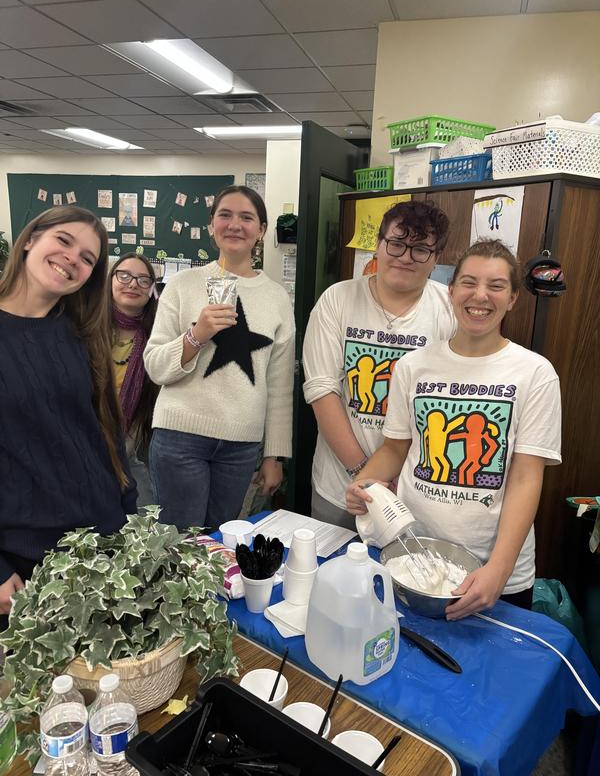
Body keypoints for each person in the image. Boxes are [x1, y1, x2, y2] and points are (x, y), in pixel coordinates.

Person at [346, 240, 561, 619]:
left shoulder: (535, 373)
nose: (480, 296)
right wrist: (363, 483)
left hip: (495, 575)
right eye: (469, 282)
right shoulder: (414, 366)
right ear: (451, 292)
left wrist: (499, 569)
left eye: (496, 286)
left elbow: (527, 477)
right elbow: (395, 449)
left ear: (512, 298)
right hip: (412, 556)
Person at [0, 206, 137, 619]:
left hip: (101, 540)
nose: (72, 259)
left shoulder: (79, 332)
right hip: (26, 556)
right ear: (29, 239)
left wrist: (128, 516)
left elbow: (105, 433)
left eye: (87, 258)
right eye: (63, 241)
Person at [144, 186, 294, 530]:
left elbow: (280, 384)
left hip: (241, 445)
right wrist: (197, 336)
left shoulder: (276, 297)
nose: (235, 224)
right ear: (211, 226)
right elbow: (154, 365)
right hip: (180, 436)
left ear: (262, 229)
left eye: (246, 217)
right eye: (225, 215)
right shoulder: (182, 284)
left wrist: (274, 455)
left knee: (218, 544)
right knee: (177, 546)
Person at [303, 199, 456, 530]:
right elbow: (321, 390)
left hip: (414, 491)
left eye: (420, 249)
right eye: (397, 243)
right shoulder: (337, 300)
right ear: (378, 244)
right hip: (340, 485)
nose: (404, 257)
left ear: (435, 258)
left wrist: (400, 481)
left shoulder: (450, 308)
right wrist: (365, 474)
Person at [109, 252, 160, 506]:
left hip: (134, 446)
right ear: (110, 280)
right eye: (124, 275)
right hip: (82, 443)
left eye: (142, 279)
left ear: (152, 289)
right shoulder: (85, 329)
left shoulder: (159, 336)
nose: (132, 284)